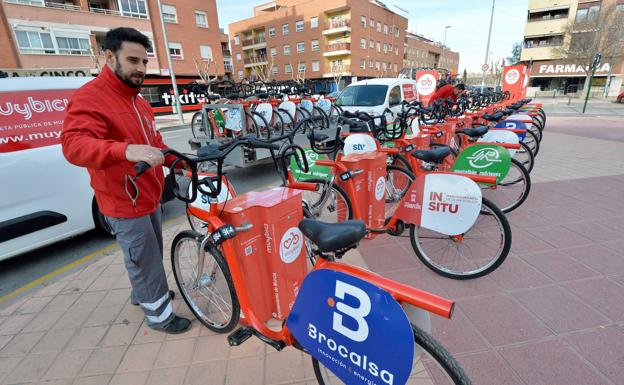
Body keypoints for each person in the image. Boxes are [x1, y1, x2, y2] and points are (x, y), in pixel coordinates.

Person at [61, 27, 191, 334]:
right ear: (109, 56)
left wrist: (178, 161)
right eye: (133, 60)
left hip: (149, 195)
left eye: (144, 62)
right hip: (122, 200)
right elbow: (73, 145)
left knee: (148, 253)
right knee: (142, 256)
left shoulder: (139, 101)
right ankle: (159, 317)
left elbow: (155, 143)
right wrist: (125, 150)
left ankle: (144, 293)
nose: (141, 69)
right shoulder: (90, 97)